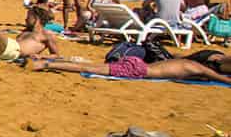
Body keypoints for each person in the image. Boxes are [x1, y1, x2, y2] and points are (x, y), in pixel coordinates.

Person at [27, 53, 231, 85]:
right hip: (138, 71)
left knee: (89, 66)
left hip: (138, 64)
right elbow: (215, 76)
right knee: (86, 67)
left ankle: (48, 61)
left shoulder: (186, 61)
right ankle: (46, 63)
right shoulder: (194, 67)